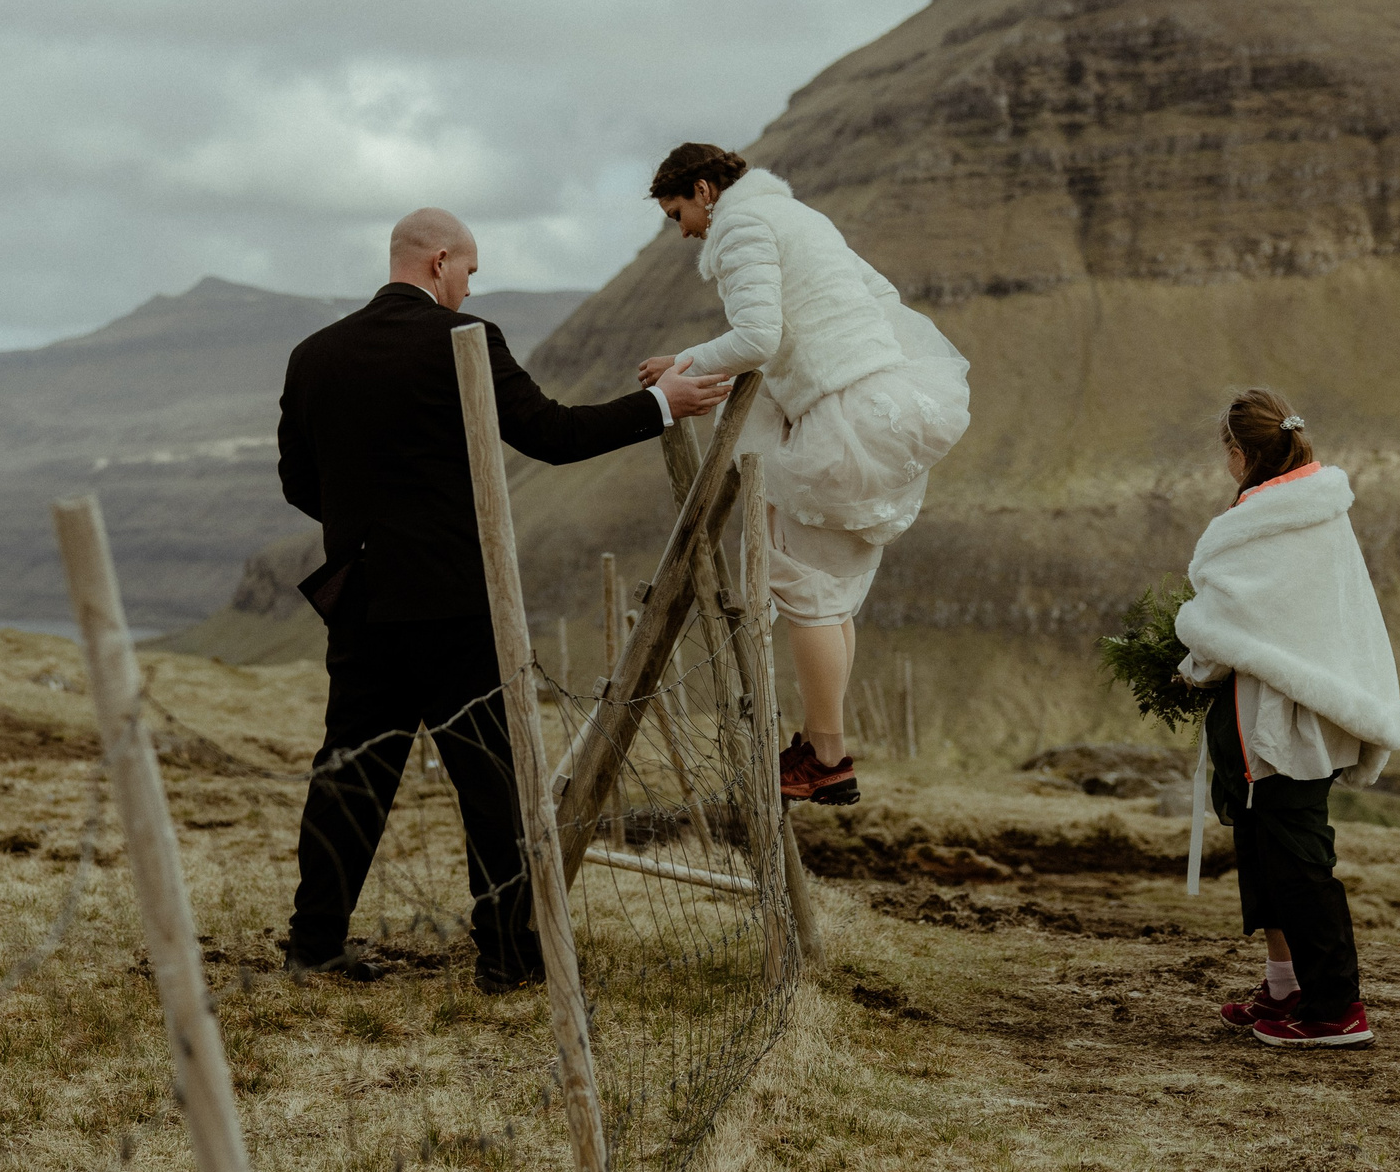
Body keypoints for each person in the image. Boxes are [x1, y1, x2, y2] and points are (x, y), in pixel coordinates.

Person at [278, 207, 734, 993]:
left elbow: (297, 482)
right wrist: (665, 407)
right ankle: (507, 957)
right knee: (491, 781)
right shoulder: (466, 339)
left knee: (349, 773)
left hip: (362, 598)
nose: (467, 287)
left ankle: (313, 943)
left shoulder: (315, 354)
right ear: (439, 261)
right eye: (468, 272)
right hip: (457, 600)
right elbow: (550, 434)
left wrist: (373, 529)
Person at [637, 143, 970, 806]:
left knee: (800, 587)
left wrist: (688, 364)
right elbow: (878, 298)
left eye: (678, 212)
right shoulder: (799, 216)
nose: (682, 231)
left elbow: (758, 337)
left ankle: (827, 757)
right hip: (882, 401)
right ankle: (826, 749)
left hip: (840, 415)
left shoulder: (740, 223)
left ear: (705, 190)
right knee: (828, 588)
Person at [1173, 389, 1400, 1048]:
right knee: (1264, 855)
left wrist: (1192, 654)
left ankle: (1337, 1008)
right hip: (1272, 720)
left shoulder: (1276, 522)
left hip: (1287, 726)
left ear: (1238, 453)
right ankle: (1286, 985)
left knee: (1300, 862)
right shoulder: (1294, 512)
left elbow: (1228, 623)